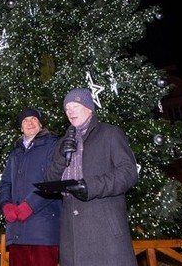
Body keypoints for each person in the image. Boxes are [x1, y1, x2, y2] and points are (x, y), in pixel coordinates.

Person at [45, 88, 139, 266]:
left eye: (75, 105)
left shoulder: (110, 133)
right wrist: (60, 158)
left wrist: (92, 186)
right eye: (67, 108)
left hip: (105, 233)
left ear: (89, 107)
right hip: (71, 236)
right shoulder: (63, 142)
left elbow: (129, 172)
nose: (70, 111)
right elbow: (50, 182)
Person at [0, 107, 61, 266]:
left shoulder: (53, 146)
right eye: (25, 121)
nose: (29, 123)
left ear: (40, 124)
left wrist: (30, 205)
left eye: (33, 119)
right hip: (17, 232)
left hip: (43, 232)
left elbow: (53, 180)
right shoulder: (15, 153)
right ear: (21, 128)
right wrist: (5, 205)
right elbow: (5, 182)